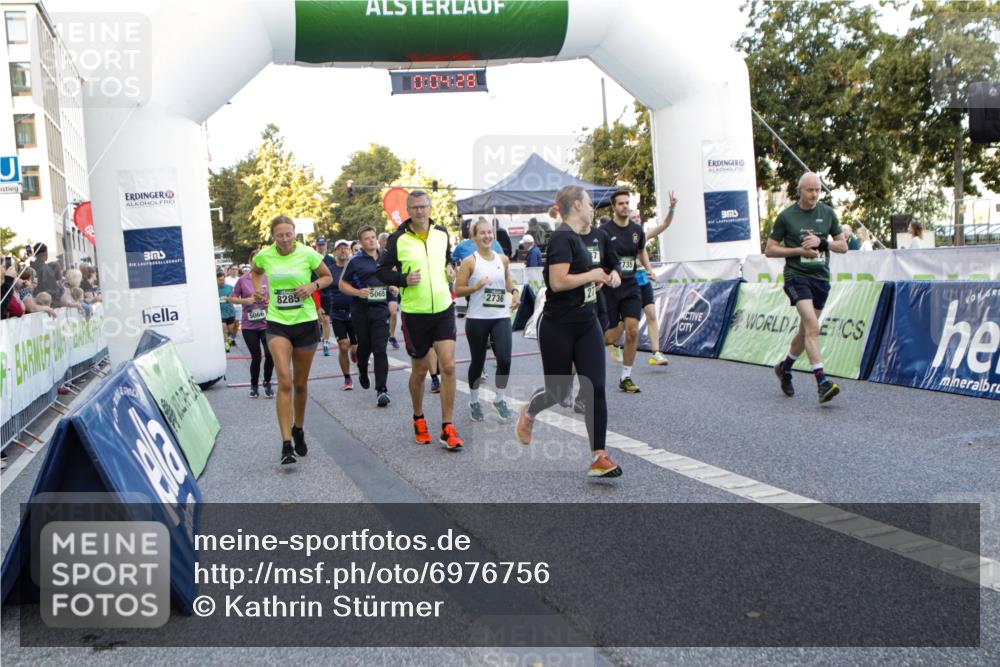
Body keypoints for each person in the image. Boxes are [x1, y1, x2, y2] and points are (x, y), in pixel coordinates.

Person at [515, 185, 621, 478]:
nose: (592, 209)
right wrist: (593, 274)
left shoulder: (582, 237)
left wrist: (599, 280)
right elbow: (558, 282)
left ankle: (598, 456)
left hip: (587, 323)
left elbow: (583, 276)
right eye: (589, 204)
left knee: (595, 388)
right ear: (576, 206)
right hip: (558, 327)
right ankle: (529, 411)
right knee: (558, 392)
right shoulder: (562, 237)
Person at [376, 189, 464, 450]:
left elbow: (447, 259)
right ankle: (418, 418)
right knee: (420, 370)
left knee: (448, 367)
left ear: (430, 207)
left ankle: (447, 426)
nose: (420, 211)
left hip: (443, 308)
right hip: (415, 313)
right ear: (408, 210)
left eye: (424, 206)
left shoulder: (441, 233)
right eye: (415, 207)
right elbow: (382, 271)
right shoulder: (398, 238)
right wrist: (403, 279)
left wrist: (450, 269)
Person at [250, 215, 333, 464]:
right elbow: (256, 271)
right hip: (278, 323)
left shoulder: (308, 253)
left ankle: (298, 428)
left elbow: (327, 277)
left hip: (305, 323)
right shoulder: (265, 255)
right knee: (285, 381)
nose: (285, 239)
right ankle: (286, 444)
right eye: (280, 235)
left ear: (294, 233)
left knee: (300, 384)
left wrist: (312, 287)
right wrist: (258, 288)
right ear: (273, 236)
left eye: (288, 234)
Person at [766, 172, 847, 404]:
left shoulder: (827, 213)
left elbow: (842, 246)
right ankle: (822, 382)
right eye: (810, 190)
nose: (814, 195)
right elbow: (770, 249)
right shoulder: (786, 217)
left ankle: (785, 367)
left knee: (805, 333)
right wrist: (799, 251)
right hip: (796, 277)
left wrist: (823, 243)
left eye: (818, 190)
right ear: (799, 190)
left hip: (820, 278)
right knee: (812, 326)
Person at [455, 217, 519, 422]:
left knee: (505, 359)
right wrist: (476, 286)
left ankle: (500, 399)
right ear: (474, 237)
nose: (487, 236)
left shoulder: (503, 259)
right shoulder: (470, 261)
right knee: (478, 361)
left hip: (501, 316)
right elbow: (457, 290)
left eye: (490, 232)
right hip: (478, 318)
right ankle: (474, 401)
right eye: (482, 233)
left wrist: (514, 292)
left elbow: (507, 279)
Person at [340, 226, 396, 407]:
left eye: (373, 237)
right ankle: (362, 368)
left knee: (380, 349)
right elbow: (342, 284)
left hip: (380, 310)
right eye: (367, 238)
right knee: (364, 348)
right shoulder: (355, 261)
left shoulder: (386, 257)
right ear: (361, 242)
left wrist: (394, 290)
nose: (371, 240)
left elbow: (393, 278)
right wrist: (357, 292)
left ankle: (382, 390)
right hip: (361, 311)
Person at [600, 190, 649, 393]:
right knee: (609, 338)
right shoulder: (604, 231)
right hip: (610, 288)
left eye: (627, 202)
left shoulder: (637, 230)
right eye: (621, 203)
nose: (625, 206)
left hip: (630, 286)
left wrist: (649, 268)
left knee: (633, 330)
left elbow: (641, 250)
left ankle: (626, 376)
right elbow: (598, 258)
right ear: (614, 206)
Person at [633, 195, 678, 367]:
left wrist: (672, 208)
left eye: (638, 218)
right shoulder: (619, 239)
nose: (637, 220)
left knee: (651, 314)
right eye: (633, 218)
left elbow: (664, 225)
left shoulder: (643, 236)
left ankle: (656, 353)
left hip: (643, 281)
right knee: (627, 323)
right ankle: (611, 342)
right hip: (627, 283)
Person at [231, 249, 274, 398]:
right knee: (256, 357)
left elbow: (277, 295)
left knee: (270, 354)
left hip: (267, 323)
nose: (258, 263)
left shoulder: (269, 277)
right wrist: (245, 300)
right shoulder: (243, 280)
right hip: (249, 326)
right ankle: (254, 385)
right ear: (250, 262)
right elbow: (231, 298)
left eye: (261, 260)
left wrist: (269, 302)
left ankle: (267, 382)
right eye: (255, 260)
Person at [325, 239, 359, 390]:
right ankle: (347, 378)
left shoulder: (354, 268)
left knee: (356, 347)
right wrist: (320, 307)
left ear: (349, 251)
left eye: (346, 248)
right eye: (340, 248)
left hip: (355, 312)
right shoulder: (330, 270)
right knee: (343, 346)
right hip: (337, 314)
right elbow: (322, 290)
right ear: (335, 252)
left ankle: (355, 354)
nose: (343, 250)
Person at [379, 232, 401, 350]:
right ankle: (380, 335)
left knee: (393, 312)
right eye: (385, 241)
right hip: (377, 288)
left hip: (391, 287)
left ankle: (391, 336)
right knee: (380, 314)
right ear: (381, 243)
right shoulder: (376, 254)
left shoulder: (395, 253)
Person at [313, 237, 334, 355]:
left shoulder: (331, 260)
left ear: (326, 245)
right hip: (315, 292)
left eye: (323, 244)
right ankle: (315, 339)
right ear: (316, 246)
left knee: (326, 319)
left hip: (327, 293)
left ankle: (325, 343)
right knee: (317, 319)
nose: (321, 247)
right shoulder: (312, 258)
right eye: (319, 245)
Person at [217, 269, 238, 351]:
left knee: (231, 331)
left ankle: (229, 340)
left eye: (223, 280)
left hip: (230, 312)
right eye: (220, 280)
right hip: (220, 313)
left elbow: (235, 297)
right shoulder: (213, 289)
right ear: (216, 280)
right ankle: (227, 346)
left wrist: (231, 299)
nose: (222, 281)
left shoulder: (230, 287)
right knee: (224, 330)